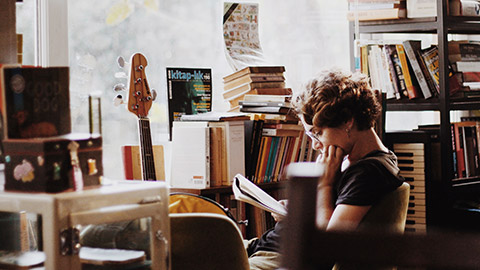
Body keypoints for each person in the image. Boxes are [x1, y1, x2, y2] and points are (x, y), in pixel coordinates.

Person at [246, 68, 405, 270]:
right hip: (266, 247)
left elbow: (327, 247)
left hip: (278, 257)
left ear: (347, 121)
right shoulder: (353, 161)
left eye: (318, 133)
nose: (315, 145)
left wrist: (324, 185)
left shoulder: (369, 173)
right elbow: (328, 213)